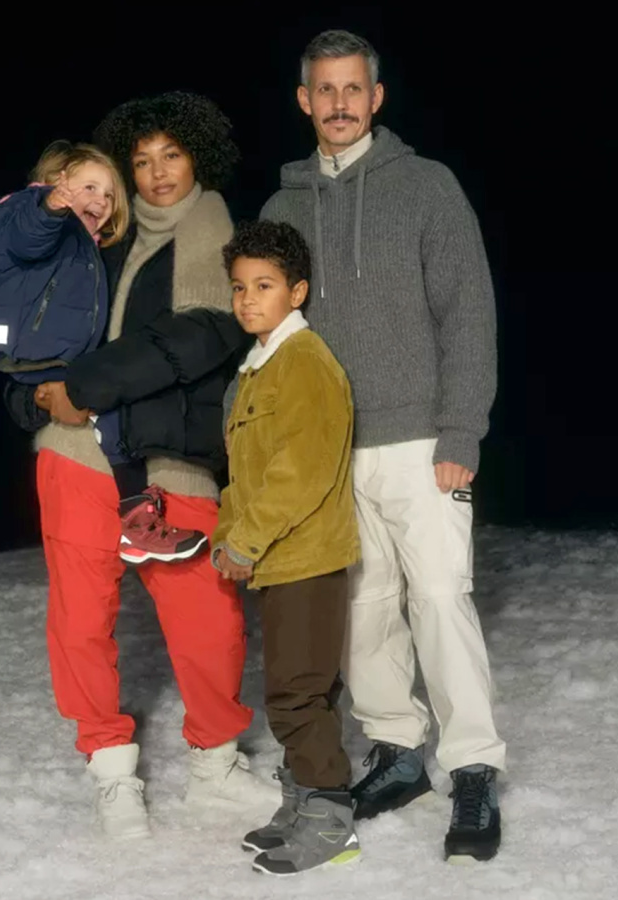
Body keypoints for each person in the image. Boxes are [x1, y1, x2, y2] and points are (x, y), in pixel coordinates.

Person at [260, 30, 507, 862]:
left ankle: (471, 767)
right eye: (324, 89)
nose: (339, 103)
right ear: (305, 100)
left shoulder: (427, 186)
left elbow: (467, 313)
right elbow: (274, 336)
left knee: (438, 598)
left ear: (375, 97)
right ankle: (397, 752)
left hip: (423, 440)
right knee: (362, 610)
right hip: (333, 453)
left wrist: (460, 429)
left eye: (352, 88)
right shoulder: (282, 209)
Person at [4, 92, 279, 839]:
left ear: (198, 158)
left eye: (172, 155)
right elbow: (31, 338)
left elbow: (198, 334)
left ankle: (215, 765)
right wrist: (33, 400)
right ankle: (110, 770)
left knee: (208, 619)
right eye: (143, 159)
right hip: (76, 458)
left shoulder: (218, 235)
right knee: (79, 622)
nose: (158, 173)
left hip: (171, 461)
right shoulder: (95, 238)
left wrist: (83, 386)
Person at [0, 141, 208, 567]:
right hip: (40, 353)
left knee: (110, 419)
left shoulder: (85, 247)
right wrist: (49, 207)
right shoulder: (35, 213)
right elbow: (24, 238)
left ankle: (135, 521)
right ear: (57, 183)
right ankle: (138, 520)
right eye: (89, 187)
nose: (101, 200)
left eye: (109, 194)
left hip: (49, 357)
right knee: (110, 412)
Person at [213, 220, 361, 875]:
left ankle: (330, 822)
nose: (248, 299)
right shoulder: (261, 365)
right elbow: (246, 471)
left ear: (296, 292)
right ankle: (302, 803)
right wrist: (229, 535)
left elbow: (301, 471)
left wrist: (246, 540)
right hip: (279, 558)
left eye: (264, 285)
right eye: (239, 287)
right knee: (297, 689)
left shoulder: (304, 361)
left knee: (297, 695)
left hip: (306, 557)